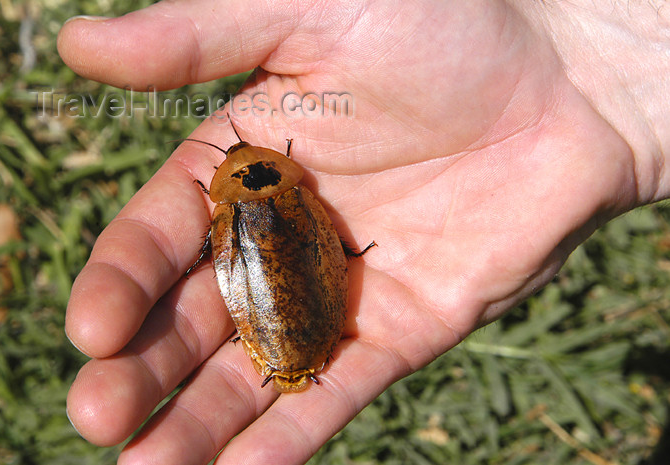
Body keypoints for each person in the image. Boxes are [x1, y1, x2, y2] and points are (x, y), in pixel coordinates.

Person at [57, 1, 670, 463]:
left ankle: (289, 360)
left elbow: (236, 260)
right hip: (291, 291)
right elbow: (327, 248)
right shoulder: (297, 193)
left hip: (266, 298)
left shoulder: (228, 210)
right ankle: (294, 356)